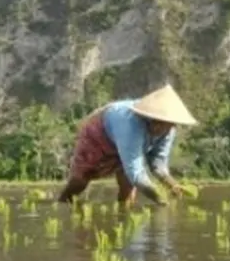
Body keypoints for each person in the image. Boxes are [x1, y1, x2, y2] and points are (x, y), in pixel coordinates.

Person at [57, 84, 197, 206]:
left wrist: (172, 185)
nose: (160, 128)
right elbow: (136, 173)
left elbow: (158, 163)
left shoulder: (168, 130)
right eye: (157, 122)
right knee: (81, 179)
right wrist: (158, 197)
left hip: (124, 143)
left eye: (166, 125)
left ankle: (123, 215)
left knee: (128, 187)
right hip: (98, 135)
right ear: (150, 117)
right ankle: (62, 204)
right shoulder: (131, 124)